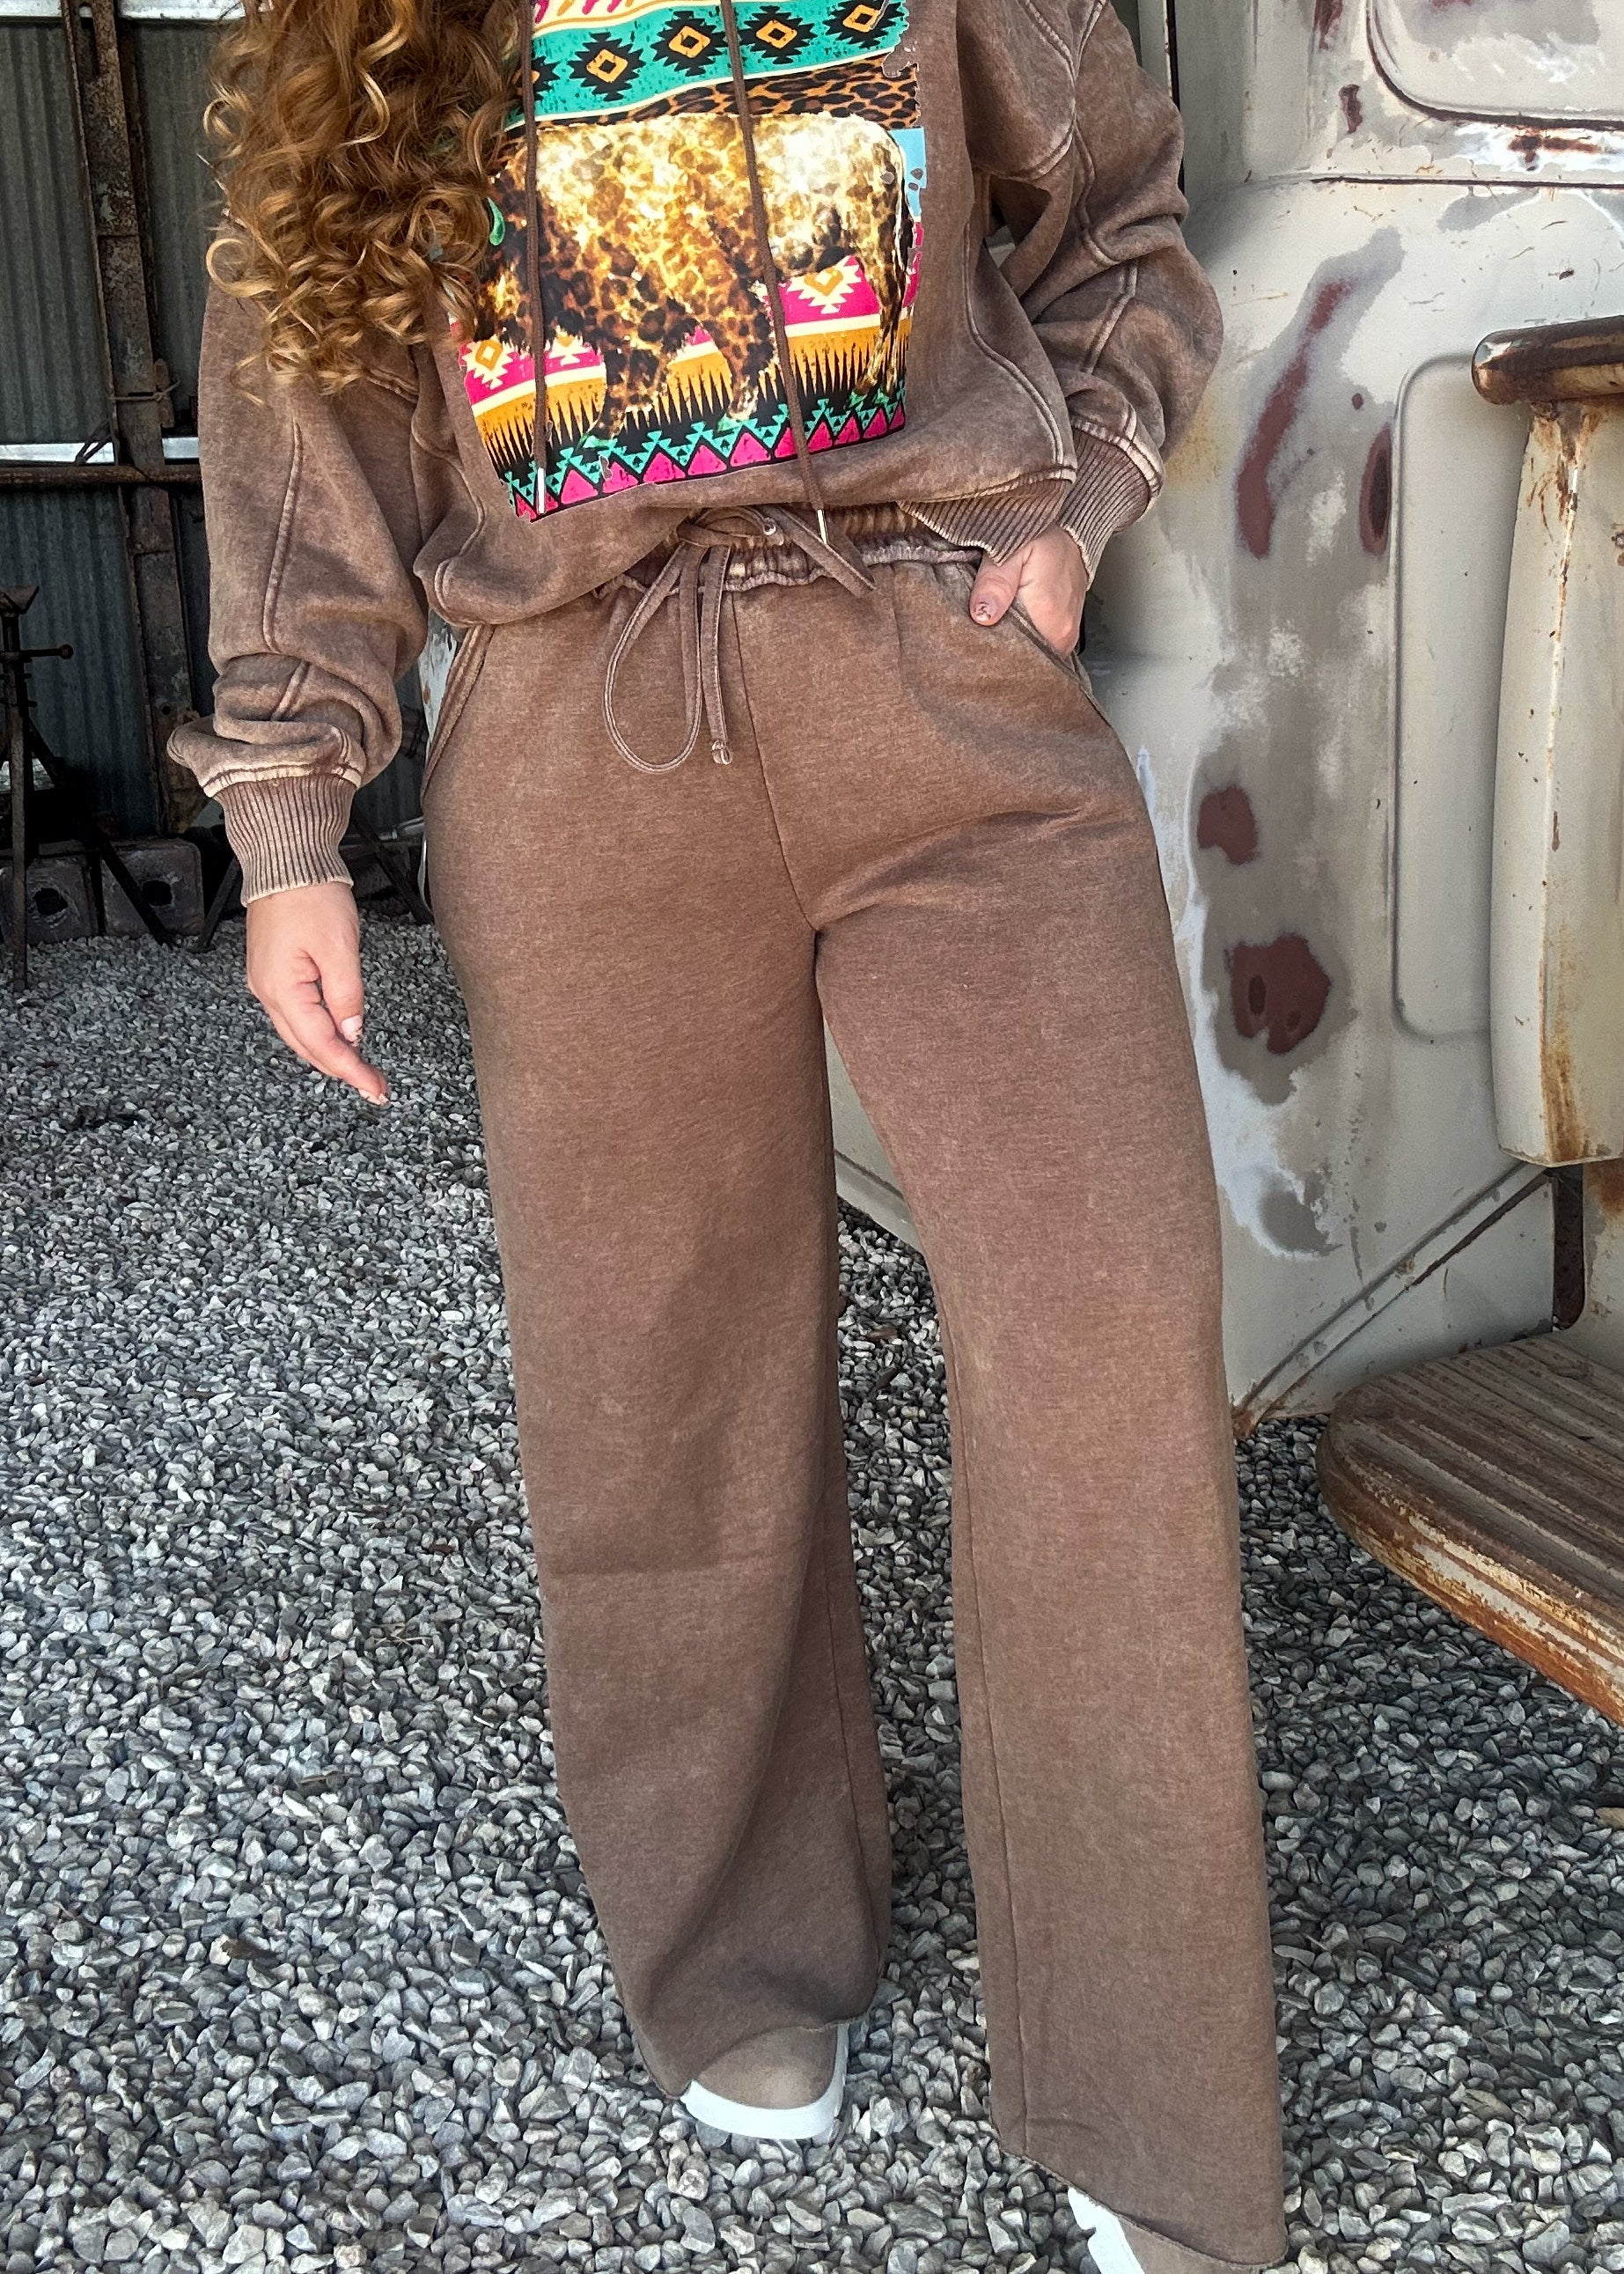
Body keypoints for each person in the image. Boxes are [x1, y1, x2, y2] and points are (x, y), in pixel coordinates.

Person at [172, 0, 1287, 2264]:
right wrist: (292, 815)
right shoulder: (379, 27)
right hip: (584, 737)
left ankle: (1148, 2082)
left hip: (941, 690)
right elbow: (304, 407)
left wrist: (1073, 497)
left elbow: (1119, 219)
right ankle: (743, 1946)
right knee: (657, 1372)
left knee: (1104, 1329)